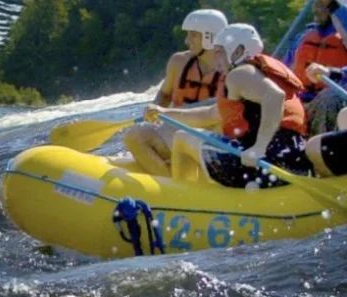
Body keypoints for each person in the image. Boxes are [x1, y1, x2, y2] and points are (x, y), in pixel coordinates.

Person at [144, 24, 312, 188]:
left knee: (181, 138)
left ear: (237, 52)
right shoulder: (253, 75)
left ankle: (182, 198)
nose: (215, 59)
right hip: (291, 160)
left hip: (268, 163)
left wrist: (259, 147)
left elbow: (275, 96)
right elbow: (210, 114)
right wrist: (164, 112)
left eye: (219, 52)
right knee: (187, 135)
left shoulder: (240, 73)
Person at [121, 9, 228, 176]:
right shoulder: (178, 62)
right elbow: (164, 95)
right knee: (133, 136)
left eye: (193, 35)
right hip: (176, 127)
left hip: (211, 133)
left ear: (210, 38)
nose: (187, 40)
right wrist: (155, 108)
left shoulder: (233, 70)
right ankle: (169, 184)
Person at [284, 0, 347, 133]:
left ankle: (319, 150)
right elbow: (284, 70)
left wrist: (331, 73)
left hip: (335, 104)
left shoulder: (343, 36)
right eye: (316, 3)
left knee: (329, 97)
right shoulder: (303, 37)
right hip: (301, 101)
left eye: (323, 4)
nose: (316, 8)